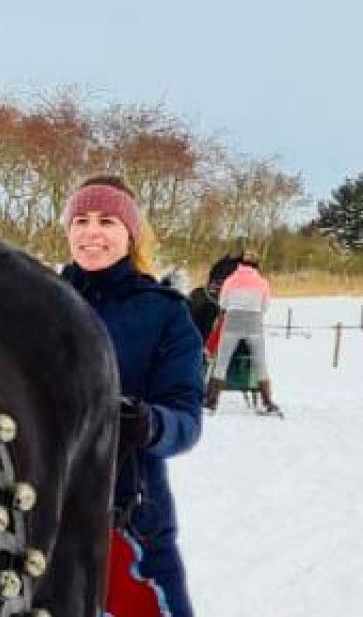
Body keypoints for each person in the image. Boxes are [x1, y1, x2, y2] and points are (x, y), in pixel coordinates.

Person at [60, 174, 204, 617]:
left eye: (107, 220)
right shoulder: (41, 303)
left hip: (131, 513)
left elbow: (186, 421)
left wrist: (150, 423)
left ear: (131, 233)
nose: (92, 232)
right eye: (80, 220)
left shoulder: (166, 313)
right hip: (44, 510)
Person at [208, 253, 281, 415]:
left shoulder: (230, 280)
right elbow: (265, 305)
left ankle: (211, 402)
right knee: (260, 362)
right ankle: (267, 402)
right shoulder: (262, 282)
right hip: (254, 323)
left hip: (232, 322)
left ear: (240, 265)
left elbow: (222, 303)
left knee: (221, 362)